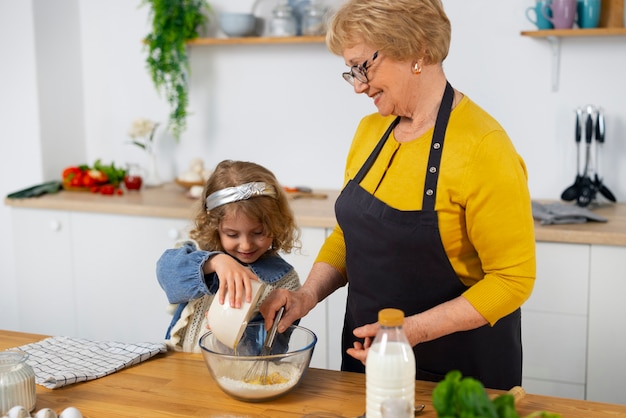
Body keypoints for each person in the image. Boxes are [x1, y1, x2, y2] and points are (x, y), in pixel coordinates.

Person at [259, 0, 535, 390]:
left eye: (363, 66)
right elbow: (351, 235)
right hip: (366, 361)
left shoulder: (484, 147)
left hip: (456, 375)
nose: (357, 85)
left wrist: (411, 331)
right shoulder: (371, 131)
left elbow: (512, 279)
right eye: (350, 71)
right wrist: (306, 295)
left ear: (417, 50)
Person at [156, 160, 301, 353]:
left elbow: (272, 349)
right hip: (183, 362)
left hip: (237, 372)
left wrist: (237, 330)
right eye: (232, 234)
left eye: (258, 232)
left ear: (276, 224)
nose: (246, 245)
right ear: (215, 226)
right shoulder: (199, 252)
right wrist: (214, 262)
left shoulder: (284, 281)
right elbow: (166, 271)